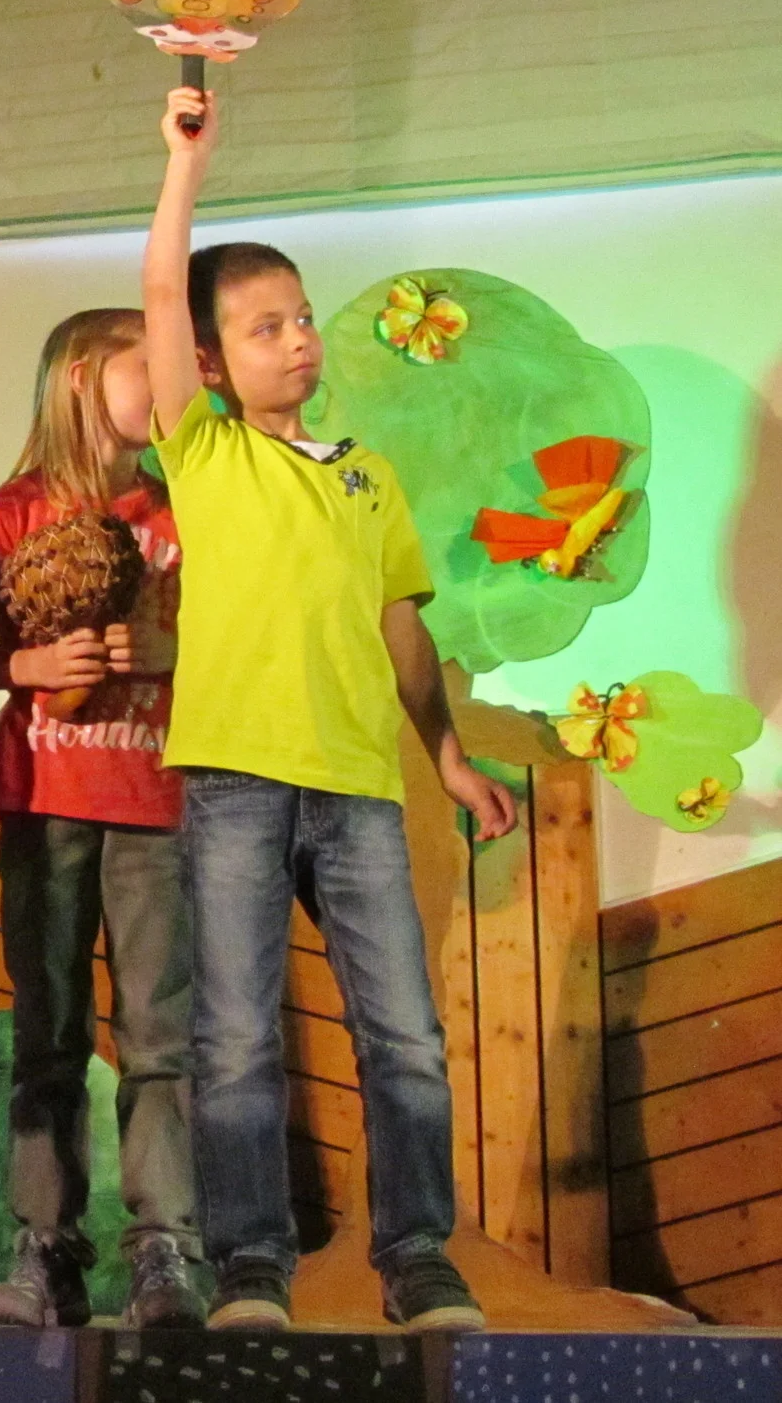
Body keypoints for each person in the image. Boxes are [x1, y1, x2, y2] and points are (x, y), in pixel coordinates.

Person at [141, 86, 516, 1332]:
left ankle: (416, 1257)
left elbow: (402, 627)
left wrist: (445, 756)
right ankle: (252, 1265)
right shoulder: (207, 452)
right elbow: (158, 296)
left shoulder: (368, 476)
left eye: (301, 319)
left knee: (402, 1034)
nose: (296, 341)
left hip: (356, 785)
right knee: (237, 1038)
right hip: (236, 781)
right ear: (210, 363)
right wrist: (184, 166)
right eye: (263, 328)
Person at [0, 308, 203, 1330]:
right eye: (148, 366)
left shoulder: (186, 507)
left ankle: (165, 1248)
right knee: (48, 1028)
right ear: (79, 377)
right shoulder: (9, 513)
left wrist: (175, 652)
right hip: (44, 801)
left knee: (158, 1034)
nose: (169, 385)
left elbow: (243, 637)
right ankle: (43, 1247)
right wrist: (28, 662)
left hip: (157, 800)